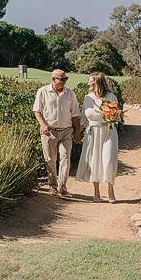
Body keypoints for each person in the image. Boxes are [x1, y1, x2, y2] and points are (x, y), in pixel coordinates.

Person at [33, 69, 82, 196]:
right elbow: (37, 111)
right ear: (53, 79)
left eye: (66, 79)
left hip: (66, 131)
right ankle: (52, 185)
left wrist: (77, 132)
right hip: (49, 131)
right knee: (50, 159)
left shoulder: (70, 93)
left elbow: (75, 115)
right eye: (62, 79)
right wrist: (43, 125)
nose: (64, 81)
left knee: (65, 158)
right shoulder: (43, 91)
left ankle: (62, 187)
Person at [75, 72, 120, 203]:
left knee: (109, 160)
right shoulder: (87, 98)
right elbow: (83, 119)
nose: (88, 83)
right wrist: (77, 133)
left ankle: (111, 188)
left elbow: (118, 117)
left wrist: (112, 116)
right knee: (94, 161)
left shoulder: (111, 97)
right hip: (92, 133)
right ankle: (96, 191)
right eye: (89, 81)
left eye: (91, 81)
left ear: (98, 83)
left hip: (108, 132)